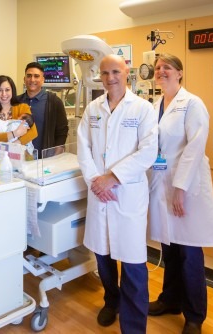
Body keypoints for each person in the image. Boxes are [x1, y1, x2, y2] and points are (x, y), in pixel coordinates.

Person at [147, 53, 213, 334]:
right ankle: (169, 300)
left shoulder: (192, 104)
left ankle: (195, 316)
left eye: (167, 68)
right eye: (158, 68)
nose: (161, 72)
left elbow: (194, 149)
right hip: (162, 184)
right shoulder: (156, 104)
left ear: (180, 73)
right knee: (169, 249)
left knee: (190, 254)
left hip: (186, 188)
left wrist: (180, 189)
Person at [77, 54, 158, 333]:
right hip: (100, 194)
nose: (110, 78)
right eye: (105, 73)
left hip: (126, 194)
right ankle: (112, 301)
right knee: (104, 256)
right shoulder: (93, 108)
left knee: (133, 264)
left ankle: (134, 326)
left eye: (115, 72)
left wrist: (112, 178)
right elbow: (83, 147)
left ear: (127, 73)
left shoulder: (143, 109)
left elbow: (148, 151)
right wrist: (95, 181)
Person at [0, 75, 38, 164]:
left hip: (22, 160)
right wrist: (14, 133)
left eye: (7, 90)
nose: (4, 94)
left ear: (12, 90)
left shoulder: (23, 108)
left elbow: (33, 132)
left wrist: (16, 143)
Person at [17, 62, 68, 152]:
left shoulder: (54, 102)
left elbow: (62, 132)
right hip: (20, 158)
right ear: (24, 79)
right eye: (29, 76)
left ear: (43, 80)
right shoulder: (16, 102)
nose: (32, 79)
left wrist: (55, 157)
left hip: (45, 159)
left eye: (36, 76)